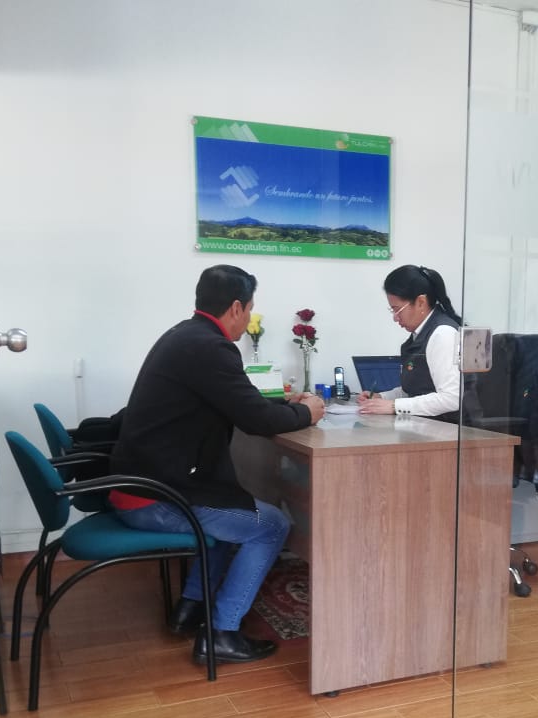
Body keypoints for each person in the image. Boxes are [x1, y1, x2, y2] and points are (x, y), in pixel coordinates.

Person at [109, 264, 325, 666]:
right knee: (271, 525)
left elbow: (235, 399)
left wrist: (283, 404)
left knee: (232, 510)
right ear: (237, 308)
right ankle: (222, 633)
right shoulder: (211, 347)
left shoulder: (185, 336)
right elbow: (255, 420)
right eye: (251, 309)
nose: (248, 317)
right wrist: (307, 413)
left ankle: (191, 609)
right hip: (156, 499)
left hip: (140, 486)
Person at [358, 264, 463, 421]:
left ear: (421, 302)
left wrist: (394, 406)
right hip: (427, 425)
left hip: (450, 428)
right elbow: (414, 391)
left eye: (397, 309)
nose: (395, 317)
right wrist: (382, 398)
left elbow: (451, 398)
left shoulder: (443, 334)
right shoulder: (418, 336)